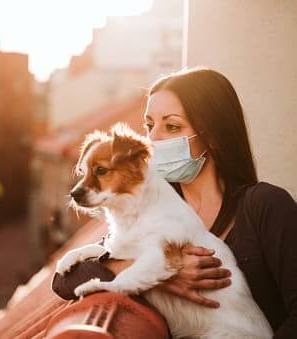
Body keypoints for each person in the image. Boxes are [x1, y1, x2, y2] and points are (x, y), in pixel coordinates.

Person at [53, 67, 297, 338]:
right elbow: (65, 280)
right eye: (149, 125)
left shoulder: (265, 206)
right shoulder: (148, 207)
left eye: (171, 126)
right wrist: (161, 274)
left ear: (213, 135)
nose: (153, 138)